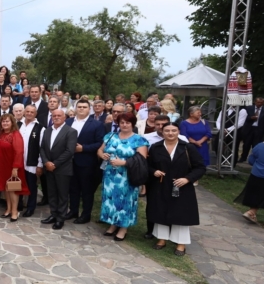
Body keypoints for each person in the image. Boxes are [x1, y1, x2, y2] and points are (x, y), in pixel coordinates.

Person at [147, 122, 206, 256]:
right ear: (162, 132)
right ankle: (161, 239)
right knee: (160, 211)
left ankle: (181, 243)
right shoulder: (156, 147)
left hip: (182, 186)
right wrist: (154, 171)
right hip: (161, 185)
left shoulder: (187, 148)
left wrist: (187, 179)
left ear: (178, 131)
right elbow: (148, 166)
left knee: (181, 214)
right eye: (167, 130)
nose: (170, 133)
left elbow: (200, 167)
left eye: (174, 130)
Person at [98, 112, 149, 241]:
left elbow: (142, 160)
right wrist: (102, 155)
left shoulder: (139, 139)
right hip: (110, 175)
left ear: (132, 124)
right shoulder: (110, 136)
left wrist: (124, 162)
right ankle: (112, 224)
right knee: (111, 200)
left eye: (127, 122)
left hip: (127, 177)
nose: (124, 125)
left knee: (125, 202)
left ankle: (123, 228)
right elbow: (100, 150)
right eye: (122, 122)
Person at [66, 100, 106, 224]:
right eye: (79, 107)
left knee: (87, 190)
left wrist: (83, 148)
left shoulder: (96, 124)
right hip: (69, 161)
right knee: (73, 188)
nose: (81, 109)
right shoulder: (68, 122)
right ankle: (73, 211)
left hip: (87, 162)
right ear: (76, 108)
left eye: (84, 107)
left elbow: (100, 143)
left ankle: (86, 214)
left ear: (89, 109)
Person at [39, 109, 78, 230]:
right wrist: (46, 162)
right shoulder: (47, 130)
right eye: (54, 115)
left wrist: (54, 164)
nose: (56, 117)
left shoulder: (71, 131)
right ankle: (53, 214)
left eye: (59, 115)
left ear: (64, 117)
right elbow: (42, 148)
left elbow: (69, 151)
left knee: (62, 194)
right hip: (49, 168)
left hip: (62, 168)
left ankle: (61, 218)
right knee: (52, 193)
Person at [0, 113, 27, 221]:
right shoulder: (0, 134)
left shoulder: (16, 134)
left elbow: (19, 152)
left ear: (12, 123)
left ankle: (15, 211)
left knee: (13, 189)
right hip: (1, 165)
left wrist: (15, 167)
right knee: (5, 189)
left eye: (7, 121)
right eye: (3, 121)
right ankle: (9, 208)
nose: (5, 123)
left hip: (12, 166)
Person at [239, 97, 264, 163]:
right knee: (246, 144)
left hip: (259, 129)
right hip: (249, 129)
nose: (259, 104)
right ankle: (243, 158)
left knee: (256, 145)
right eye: (258, 102)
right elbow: (243, 118)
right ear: (255, 102)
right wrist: (250, 118)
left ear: (263, 103)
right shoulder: (248, 108)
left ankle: (254, 159)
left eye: (261, 103)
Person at [179, 106, 210, 177]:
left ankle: (200, 174)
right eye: (198, 112)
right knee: (190, 160)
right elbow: (184, 135)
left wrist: (200, 141)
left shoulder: (204, 122)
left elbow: (208, 133)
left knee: (202, 160)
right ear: (191, 114)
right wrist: (195, 142)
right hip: (190, 145)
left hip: (202, 146)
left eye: (200, 112)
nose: (200, 114)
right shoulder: (184, 123)